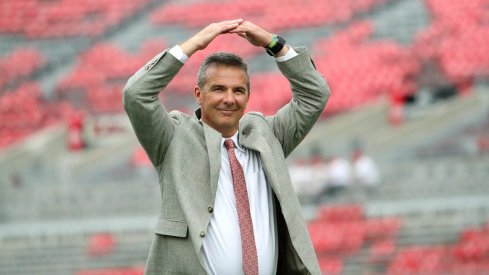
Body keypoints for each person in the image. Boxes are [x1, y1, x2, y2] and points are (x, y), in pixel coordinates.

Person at [123, 19, 330, 274]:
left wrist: (273, 43)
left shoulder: (268, 135)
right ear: (198, 94)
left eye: (238, 90)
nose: (229, 99)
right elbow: (136, 95)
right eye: (219, 89)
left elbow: (315, 95)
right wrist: (193, 45)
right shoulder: (173, 138)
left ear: (248, 97)